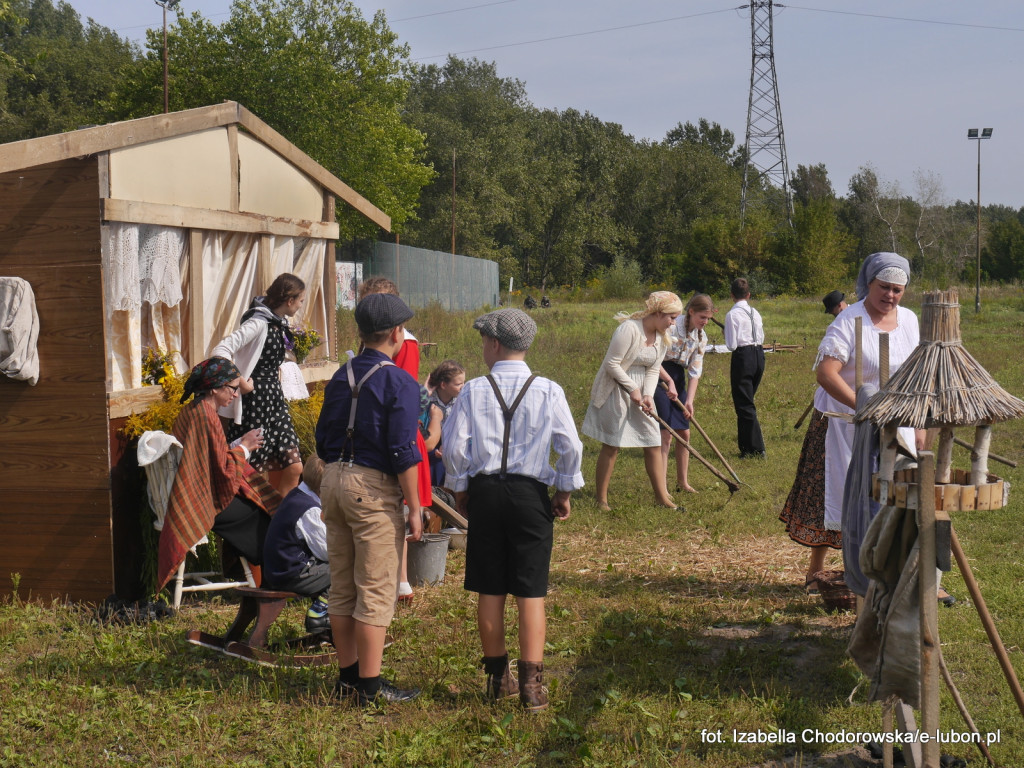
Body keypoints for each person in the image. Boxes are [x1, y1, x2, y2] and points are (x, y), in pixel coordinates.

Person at [441, 308, 584, 711]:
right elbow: (570, 446)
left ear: (495, 344)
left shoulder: (472, 390)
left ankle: (496, 679)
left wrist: (460, 485)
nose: (483, 348)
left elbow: (453, 447)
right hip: (529, 496)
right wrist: (564, 491)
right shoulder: (549, 389)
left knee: (490, 587)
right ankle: (532, 688)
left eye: (484, 341)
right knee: (530, 590)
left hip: (486, 493)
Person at [815, 254, 949, 605]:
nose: (890, 295)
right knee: (852, 501)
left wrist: (918, 421)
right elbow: (826, 373)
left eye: (897, 289)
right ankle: (855, 578)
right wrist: (866, 407)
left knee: (898, 498)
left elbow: (918, 374)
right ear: (869, 284)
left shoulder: (908, 320)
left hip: (897, 422)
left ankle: (909, 577)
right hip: (850, 425)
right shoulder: (849, 320)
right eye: (884, 287)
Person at [315, 292, 424, 706]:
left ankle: (346, 679)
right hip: (372, 487)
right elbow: (402, 449)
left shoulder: (339, 376)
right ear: (397, 333)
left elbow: (323, 437)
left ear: (362, 334)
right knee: (376, 589)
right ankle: (370, 687)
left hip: (333, 479)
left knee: (342, 586)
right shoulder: (399, 381)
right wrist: (415, 506)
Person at [156, 357, 278, 592]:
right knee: (260, 512)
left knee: (255, 504)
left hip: (200, 490)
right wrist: (245, 448)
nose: (235, 395)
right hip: (201, 500)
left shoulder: (196, 410)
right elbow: (220, 473)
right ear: (214, 387)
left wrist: (240, 444)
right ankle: (271, 580)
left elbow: (211, 458)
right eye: (232, 388)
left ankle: (247, 572)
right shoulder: (205, 416)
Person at [355, 276, 431, 602]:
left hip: (395, 431)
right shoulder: (372, 338)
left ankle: (401, 581)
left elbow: (403, 388)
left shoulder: (407, 344)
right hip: (374, 430)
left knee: (398, 509)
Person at [581, 291, 683, 510]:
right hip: (616, 388)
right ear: (657, 312)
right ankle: (601, 499)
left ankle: (661, 498)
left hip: (640, 391)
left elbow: (654, 368)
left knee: (653, 440)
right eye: (671, 318)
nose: (673, 324)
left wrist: (647, 394)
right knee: (612, 444)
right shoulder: (629, 329)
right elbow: (612, 364)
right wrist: (632, 388)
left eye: (675, 318)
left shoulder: (661, 337)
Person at [779, 289, 848, 593]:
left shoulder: (891, 326)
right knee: (826, 493)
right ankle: (815, 573)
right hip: (833, 420)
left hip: (873, 425)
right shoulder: (841, 328)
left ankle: (870, 573)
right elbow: (826, 374)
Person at [214, 273, 306, 495]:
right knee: (253, 473)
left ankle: (279, 524)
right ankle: (261, 525)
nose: (301, 306)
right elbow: (222, 349)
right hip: (256, 404)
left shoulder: (277, 323)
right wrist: (238, 381)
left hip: (275, 402)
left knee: (295, 467)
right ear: (290, 300)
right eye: (301, 301)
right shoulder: (258, 322)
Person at [262, 454, 331, 634]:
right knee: (348, 570)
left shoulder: (296, 496)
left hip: (279, 569)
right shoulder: (310, 510)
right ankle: (320, 614)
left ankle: (326, 612)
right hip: (291, 573)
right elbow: (327, 552)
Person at [653, 294, 715, 493]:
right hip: (658, 376)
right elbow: (654, 358)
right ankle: (662, 488)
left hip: (677, 379)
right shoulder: (671, 326)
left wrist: (690, 400)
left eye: (708, 318)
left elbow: (695, 371)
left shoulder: (701, 337)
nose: (705, 322)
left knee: (684, 433)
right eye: (702, 317)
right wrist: (667, 382)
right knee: (666, 434)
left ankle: (683, 482)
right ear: (691, 312)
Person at [724, 277, 766, 458]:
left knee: (744, 404)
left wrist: (726, 332)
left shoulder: (732, 315)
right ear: (748, 295)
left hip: (743, 357)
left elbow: (731, 345)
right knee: (746, 402)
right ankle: (747, 447)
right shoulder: (755, 312)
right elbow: (761, 336)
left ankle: (757, 448)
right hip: (759, 355)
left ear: (732, 295)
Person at [424, 360, 466, 489]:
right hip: (428, 449)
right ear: (443, 385)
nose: (463, 387)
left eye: (464, 382)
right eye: (458, 384)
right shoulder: (427, 400)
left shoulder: (462, 400)